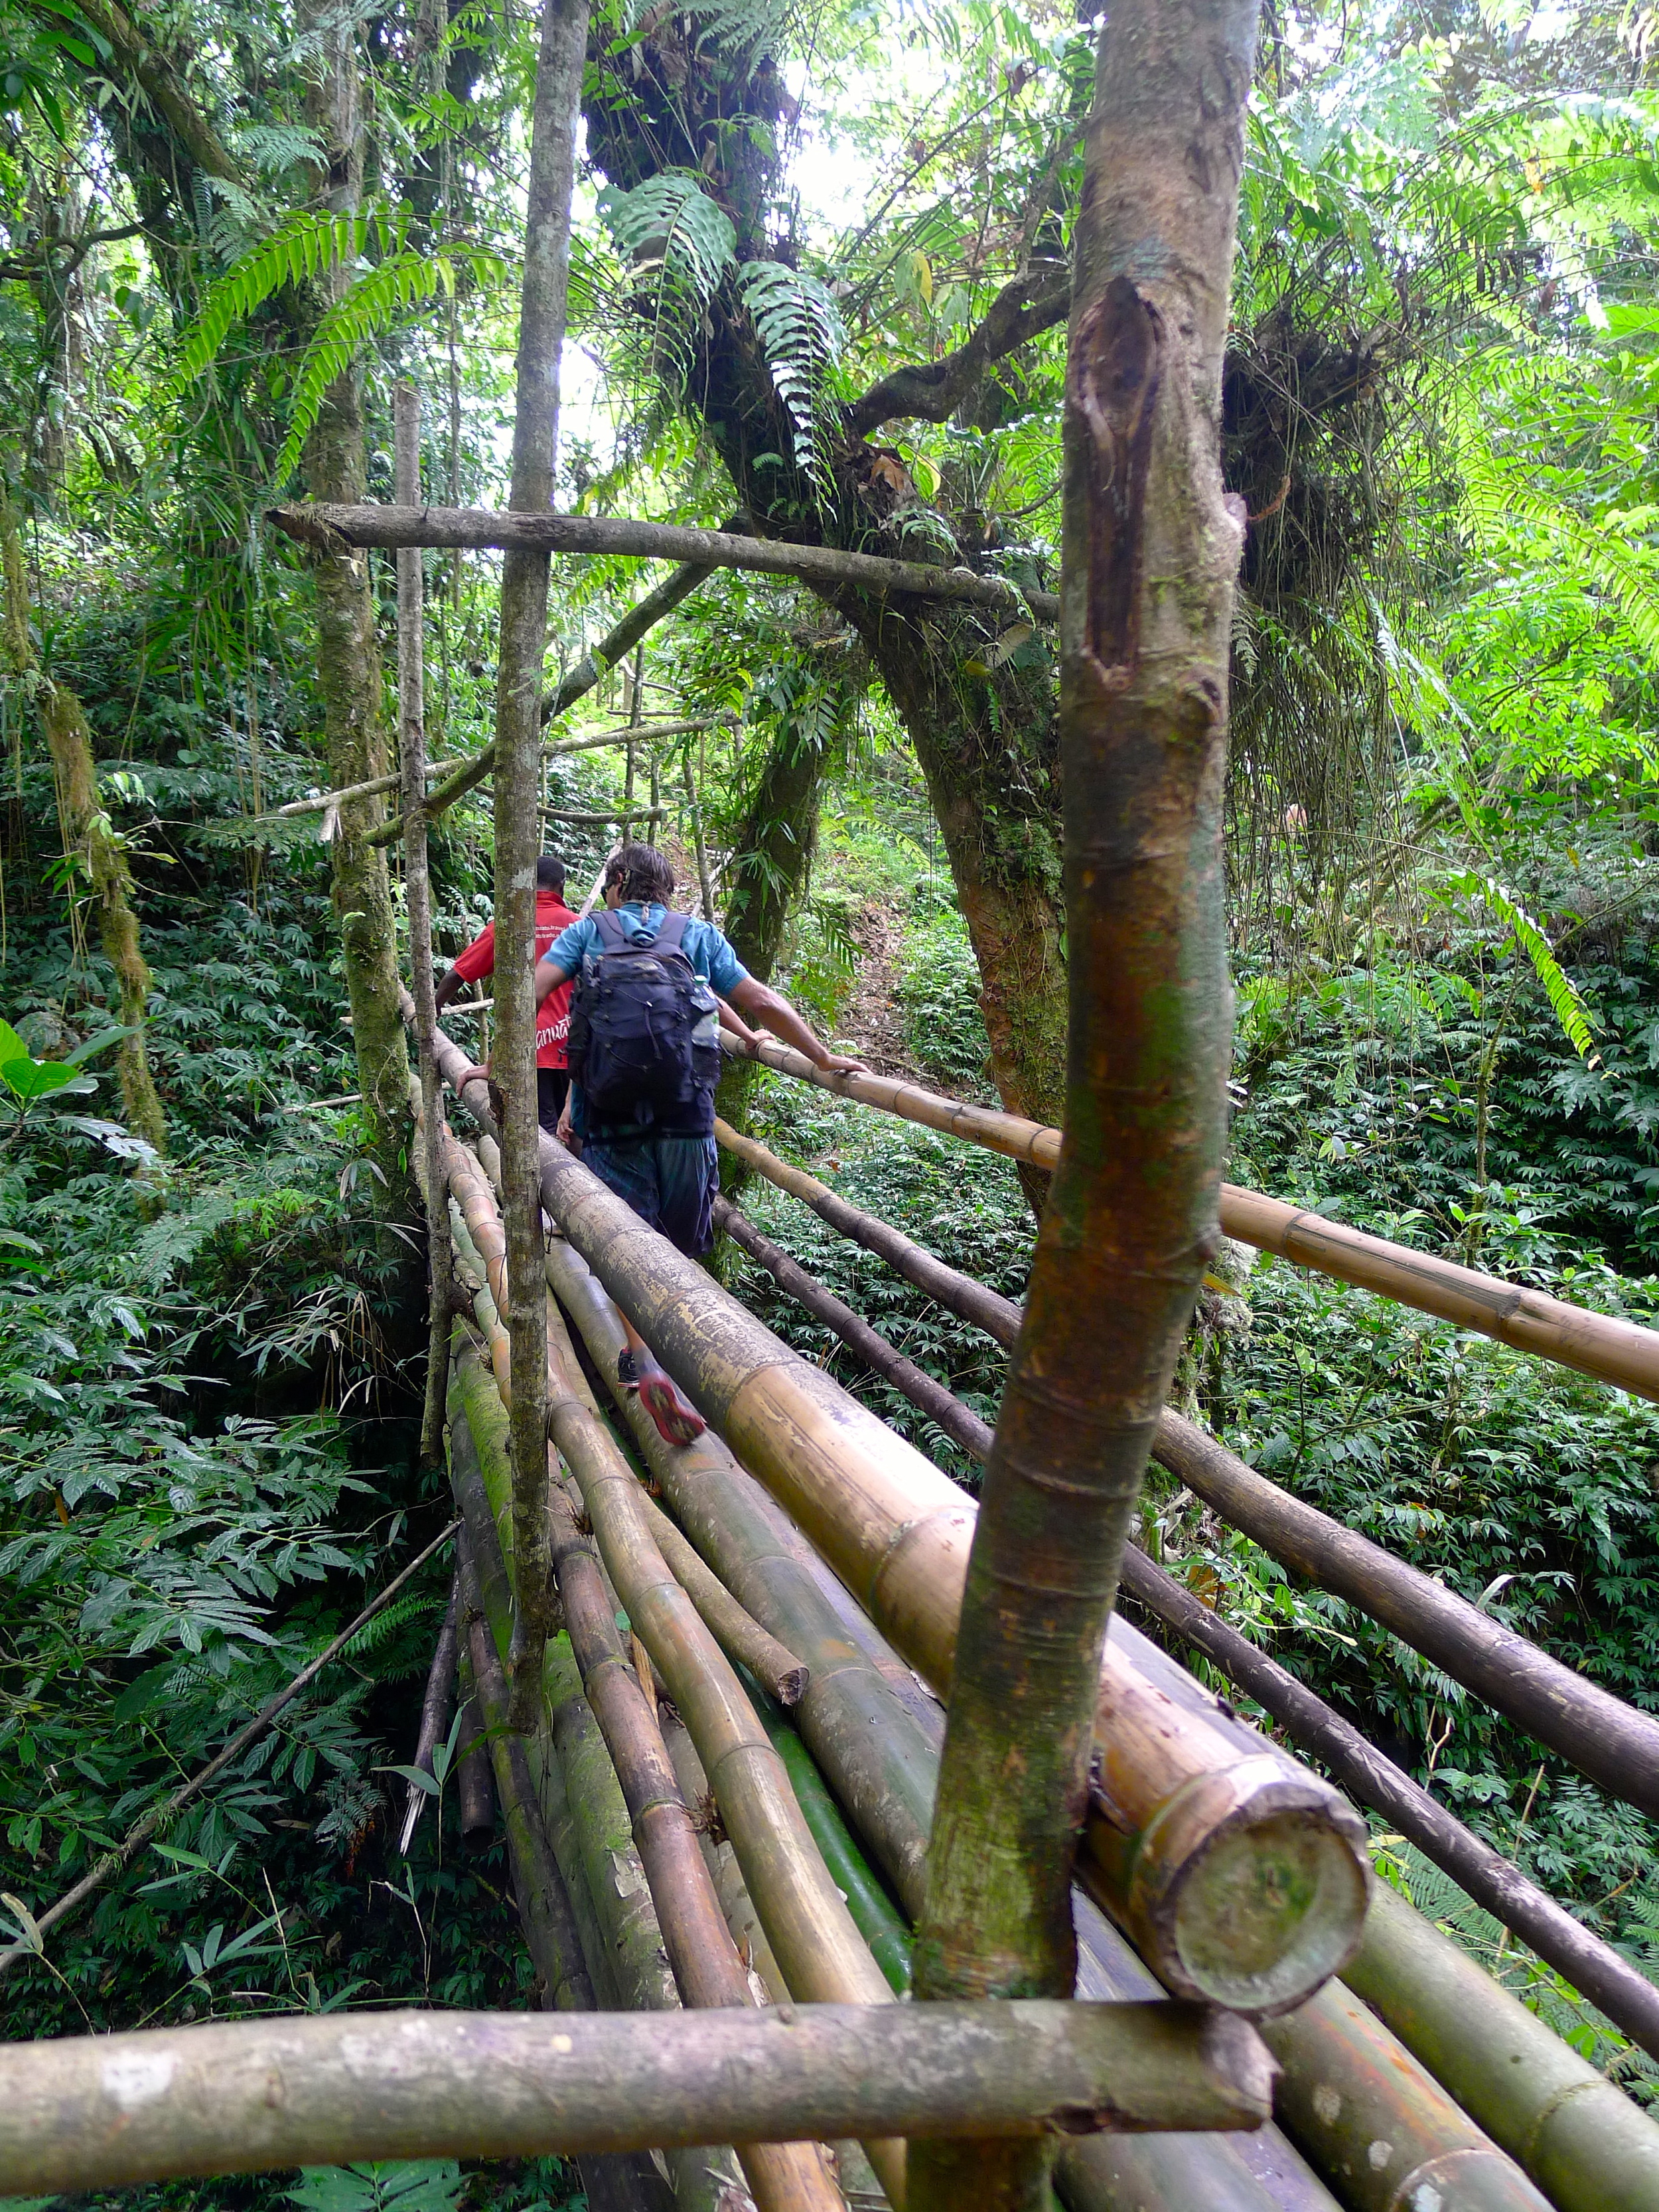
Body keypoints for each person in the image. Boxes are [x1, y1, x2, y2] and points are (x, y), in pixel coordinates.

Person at [534, 842, 865, 1446]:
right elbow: (757, 1000)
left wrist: (489, 1063)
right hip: (686, 1112)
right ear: (666, 891)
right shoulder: (697, 935)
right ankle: (678, 1352)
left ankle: (645, 1360)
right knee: (676, 1240)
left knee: (628, 1238)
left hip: (609, 1115)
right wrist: (820, 1055)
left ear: (618, 883)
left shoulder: (588, 933)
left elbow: (533, 995)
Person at [435, 855, 576, 1132]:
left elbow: (458, 974)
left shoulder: (509, 926)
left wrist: (435, 1005)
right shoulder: (580, 927)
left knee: (540, 1132)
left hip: (526, 1049)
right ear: (561, 887)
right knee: (573, 1131)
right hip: (575, 1047)